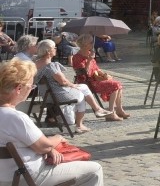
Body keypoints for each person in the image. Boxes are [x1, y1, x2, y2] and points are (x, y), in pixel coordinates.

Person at [0, 58, 104, 186]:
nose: (31, 89)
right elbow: (44, 146)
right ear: (19, 89)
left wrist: (49, 149)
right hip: (25, 175)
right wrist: (58, 137)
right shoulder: (15, 117)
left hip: (4, 175)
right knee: (94, 170)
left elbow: (37, 144)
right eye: (31, 86)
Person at [33, 40, 113, 133]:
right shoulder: (50, 66)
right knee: (83, 93)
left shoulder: (35, 64)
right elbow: (63, 81)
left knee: (83, 88)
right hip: (59, 95)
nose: (56, 49)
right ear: (48, 51)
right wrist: (73, 85)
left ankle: (96, 111)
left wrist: (73, 86)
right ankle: (83, 122)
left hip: (47, 95)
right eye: (54, 47)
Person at [72, 33, 128, 120]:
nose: (92, 44)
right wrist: (89, 60)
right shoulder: (77, 57)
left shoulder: (90, 53)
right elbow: (84, 73)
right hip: (86, 82)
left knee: (118, 84)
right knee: (115, 85)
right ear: (85, 44)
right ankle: (111, 113)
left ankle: (119, 110)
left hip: (94, 79)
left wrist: (104, 74)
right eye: (91, 42)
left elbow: (96, 69)